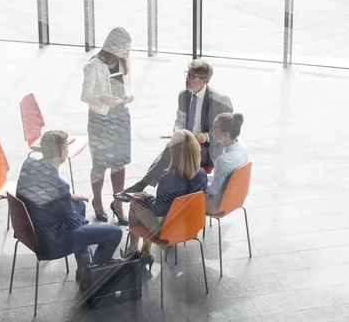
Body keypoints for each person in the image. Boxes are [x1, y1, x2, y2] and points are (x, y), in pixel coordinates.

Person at [115, 59, 231, 200]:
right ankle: (158, 195)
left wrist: (206, 136)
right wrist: (178, 132)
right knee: (173, 148)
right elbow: (180, 120)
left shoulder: (220, 100)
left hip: (207, 148)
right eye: (187, 74)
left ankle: (148, 191)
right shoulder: (184, 95)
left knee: (172, 153)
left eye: (192, 76)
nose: (187, 78)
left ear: (204, 81)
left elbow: (228, 131)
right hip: (186, 141)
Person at [16, 130, 123, 281]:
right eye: (67, 148)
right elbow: (74, 222)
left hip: (29, 228)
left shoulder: (29, 164)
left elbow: (41, 194)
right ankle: (92, 275)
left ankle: (84, 265)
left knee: (78, 204)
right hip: (48, 241)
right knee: (114, 232)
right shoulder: (60, 186)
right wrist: (89, 228)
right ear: (61, 152)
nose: (68, 151)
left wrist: (70, 198)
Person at [123, 130, 208, 263]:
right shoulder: (202, 174)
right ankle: (145, 252)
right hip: (192, 224)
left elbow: (158, 210)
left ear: (173, 152)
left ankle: (133, 249)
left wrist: (147, 197)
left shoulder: (168, 179)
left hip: (169, 230)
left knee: (136, 202)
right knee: (147, 206)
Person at [81, 27, 134, 225]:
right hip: (100, 119)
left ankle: (118, 204)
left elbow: (129, 88)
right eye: (125, 48)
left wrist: (129, 96)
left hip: (121, 116)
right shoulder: (93, 66)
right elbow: (84, 96)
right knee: (100, 164)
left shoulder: (124, 61)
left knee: (119, 163)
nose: (127, 52)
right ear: (114, 45)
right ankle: (98, 201)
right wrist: (101, 98)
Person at [205, 113, 250, 214]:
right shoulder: (243, 147)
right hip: (235, 199)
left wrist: (196, 181)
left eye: (215, 128)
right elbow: (222, 177)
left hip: (217, 205)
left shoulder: (223, 160)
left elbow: (213, 191)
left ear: (227, 133)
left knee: (182, 191)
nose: (212, 131)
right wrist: (204, 178)